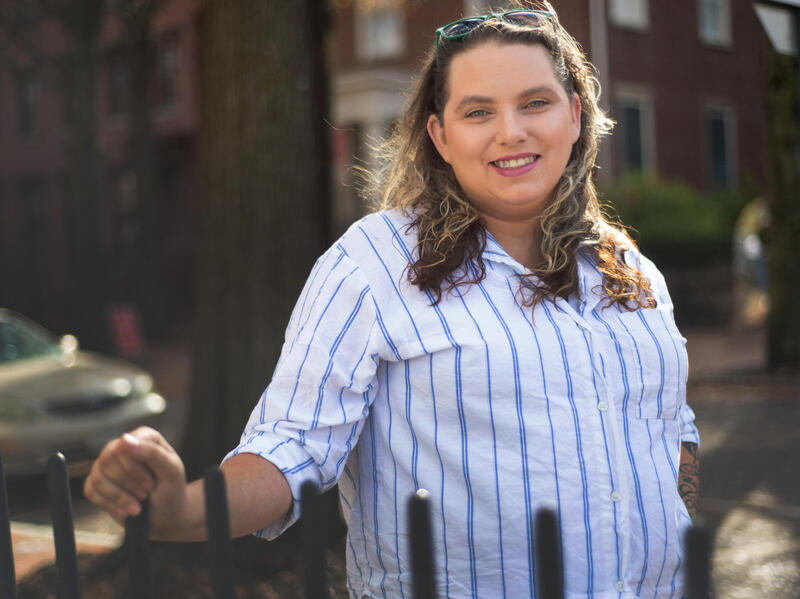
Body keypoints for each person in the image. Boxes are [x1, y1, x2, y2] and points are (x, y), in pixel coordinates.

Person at [84, 2, 700, 597]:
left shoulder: (630, 270)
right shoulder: (374, 265)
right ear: (440, 135)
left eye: (535, 103)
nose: (512, 132)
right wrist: (182, 510)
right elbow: (291, 445)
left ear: (574, 115)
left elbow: (672, 428)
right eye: (478, 111)